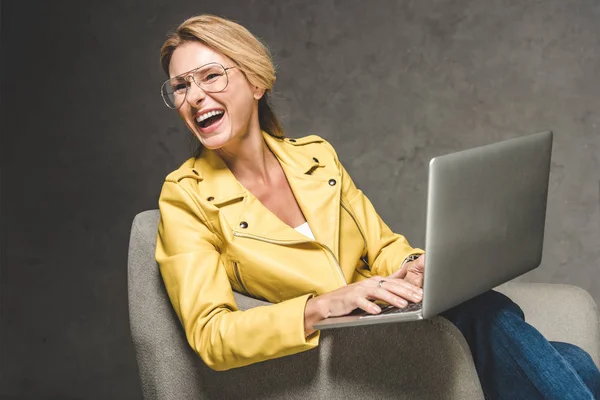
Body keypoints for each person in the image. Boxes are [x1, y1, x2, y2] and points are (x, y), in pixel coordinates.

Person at [155, 14, 600, 399]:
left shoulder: (315, 156)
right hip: (329, 350)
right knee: (520, 334)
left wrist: (414, 265)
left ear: (255, 81)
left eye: (211, 76)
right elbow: (212, 335)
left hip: (383, 322)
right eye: (180, 86)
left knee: (564, 358)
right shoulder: (186, 196)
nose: (194, 97)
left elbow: (381, 244)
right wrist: (322, 305)